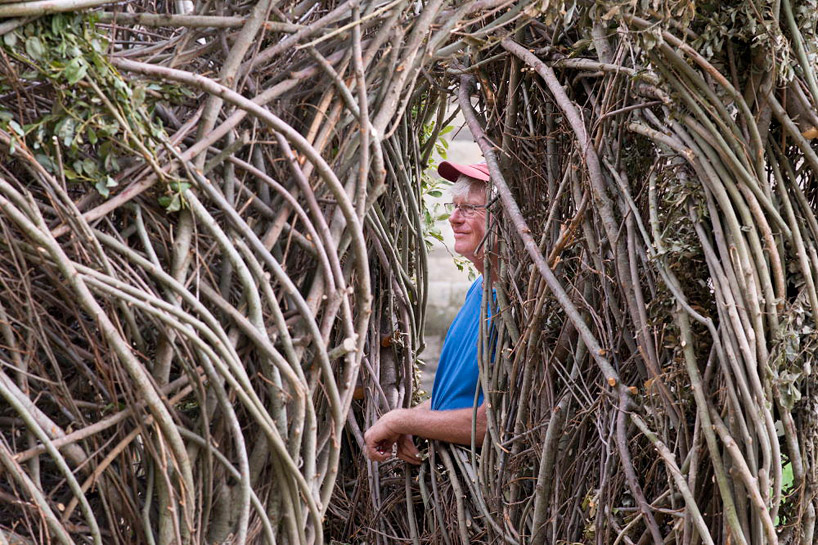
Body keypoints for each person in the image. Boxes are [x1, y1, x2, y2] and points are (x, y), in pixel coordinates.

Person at [364, 161, 492, 465]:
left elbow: (495, 422)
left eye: (470, 209)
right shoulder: (481, 288)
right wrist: (415, 420)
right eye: (454, 206)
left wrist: (403, 421)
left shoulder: (516, 303)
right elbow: (459, 394)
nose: (454, 218)